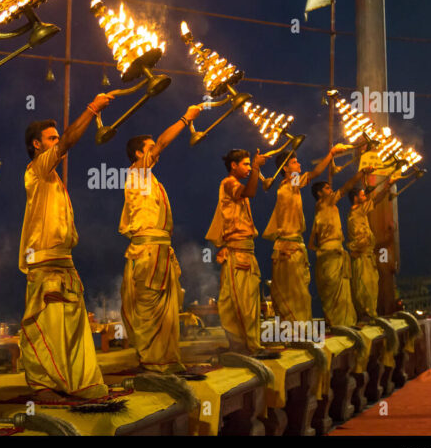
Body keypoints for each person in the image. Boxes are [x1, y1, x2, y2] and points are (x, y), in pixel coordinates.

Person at [19, 93, 113, 401]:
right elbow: (69, 142)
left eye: (56, 138)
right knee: (46, 325)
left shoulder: (55, 179)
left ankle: (77, 384)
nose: (57, 142)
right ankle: (43, 386)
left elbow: (65, 143)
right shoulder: (37, 170)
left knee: (71, 326)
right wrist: (91, 109)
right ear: (37, 145)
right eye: (51, 139)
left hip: (64, 262)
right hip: (45, 262)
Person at [119, 105, 202, 373]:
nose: (156, 151)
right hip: (147, 252)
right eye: (150, 148)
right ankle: (152, 361)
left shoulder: (152, 179)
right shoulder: (136, 174)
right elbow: (163, 144)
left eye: (154, 148)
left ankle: (165, 359)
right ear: (138, 154)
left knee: (167, 310)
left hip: (162, 251)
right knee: (149, 308)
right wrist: (185, 118)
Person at [262, 144, 348, 323]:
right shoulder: (289, 186)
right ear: (285, 169)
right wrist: (330, 153)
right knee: (294, 294)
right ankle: (293, 332)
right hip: (288, 249)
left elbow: (313, 174)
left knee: (299, 293)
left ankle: (297, 331)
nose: (299, 165)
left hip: (294, 247)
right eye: (294, 162)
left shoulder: (290, 185)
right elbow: (316, 173)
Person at [205, 148, 267, 354]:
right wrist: (257, 168)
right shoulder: (229, 183)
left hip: (246, 253)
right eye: (246, 164)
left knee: (246, 301)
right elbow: (250, 191)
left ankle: (246, 345)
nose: (249, 168)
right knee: (240, 302)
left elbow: (252, 190)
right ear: (234, 165)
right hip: (237, 253)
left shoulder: (238, 186)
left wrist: (257, 173)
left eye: (251, 164)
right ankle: (246, 346)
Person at [309, 167, 375, 327]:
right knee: (335, 293)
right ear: (320, 194)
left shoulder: (325, 208)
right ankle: (339, 325)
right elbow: (345, 188)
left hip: (334, 253)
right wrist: (360, 173)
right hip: (331, 254)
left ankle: (344, 323)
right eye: (327, 188)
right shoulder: (324, 203)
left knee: (343, 293)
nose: (331, 190)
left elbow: (312, 241)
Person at [347, 173, 399, 323]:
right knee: (363, 288)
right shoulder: (354, 214)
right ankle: (366, 316)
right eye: (363, 195)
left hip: (368, 257)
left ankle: (371, 315)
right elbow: (358, 240)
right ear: (356, 198)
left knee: (372, 287)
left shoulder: (361, 211)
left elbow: (375, 200)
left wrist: (388, 186)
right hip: (362, 257)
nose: (365, 197)